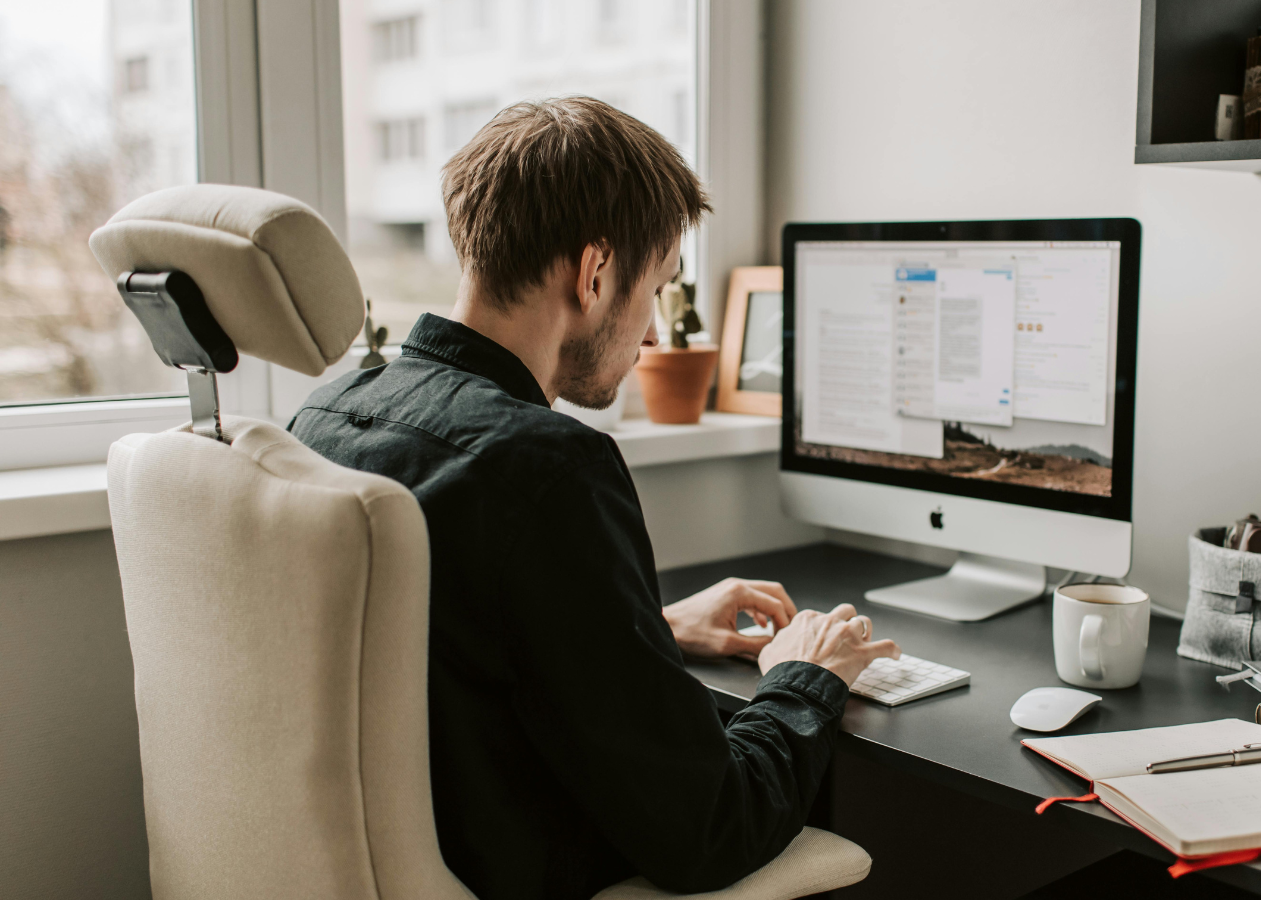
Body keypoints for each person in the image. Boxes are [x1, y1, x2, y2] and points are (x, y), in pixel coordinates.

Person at [289, 97, 900, 900]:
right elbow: (709, 832)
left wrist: (652, 627)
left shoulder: (327, 412)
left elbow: (435, 644)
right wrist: (804, 678)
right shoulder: (548, 469)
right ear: (595, 272)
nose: (652, 334)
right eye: (656, 288)